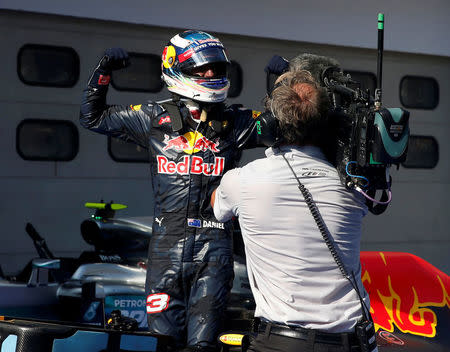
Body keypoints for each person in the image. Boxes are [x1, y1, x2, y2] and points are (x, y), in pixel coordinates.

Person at [80, 30, 260, 352]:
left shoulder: (237, 122)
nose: (210, 75)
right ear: (176, 69)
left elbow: (292, 126)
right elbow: (91, 117)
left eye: (216, 69)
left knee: (203, 345)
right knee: (164, 343)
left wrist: (284, 84)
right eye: (201, 69)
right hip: (165, 248)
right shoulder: (152, 117)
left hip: (214, 250)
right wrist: (103, 71)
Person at [212, 69, 373, 352]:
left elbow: (218, 207)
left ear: (271, 125)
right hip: (349, 342)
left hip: (279, 341)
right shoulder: (355, 187)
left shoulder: (243, 181)